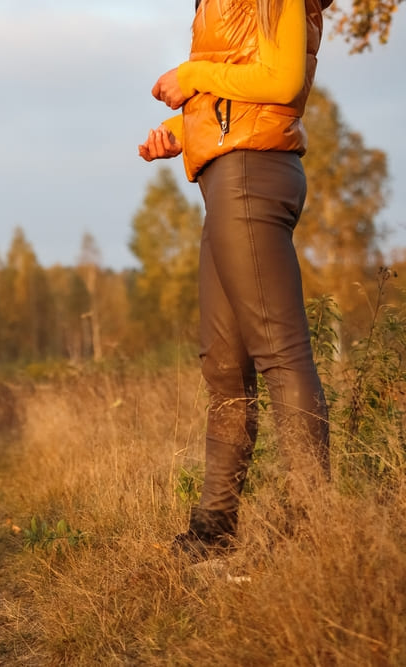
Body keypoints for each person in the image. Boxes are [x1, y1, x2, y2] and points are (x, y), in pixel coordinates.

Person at [138, 0, 333, 560]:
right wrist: (182, 131)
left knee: (280, 353)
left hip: (252, 173)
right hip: (227, 174)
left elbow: (281, 80)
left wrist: (191, 75)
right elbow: (240, 87)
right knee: (224, 366)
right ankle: (213, 530)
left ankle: (316, 536)